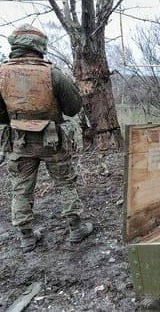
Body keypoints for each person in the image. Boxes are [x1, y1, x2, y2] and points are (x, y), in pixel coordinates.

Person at [0, 24, 93, 253]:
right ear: (40, 46)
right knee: (64, 183)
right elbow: (72, 108)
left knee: (21, 188)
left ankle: (26, 237)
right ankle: (76, 228)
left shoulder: (1, 74)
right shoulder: (53, 73)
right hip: (53, 141)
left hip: (18, 142)